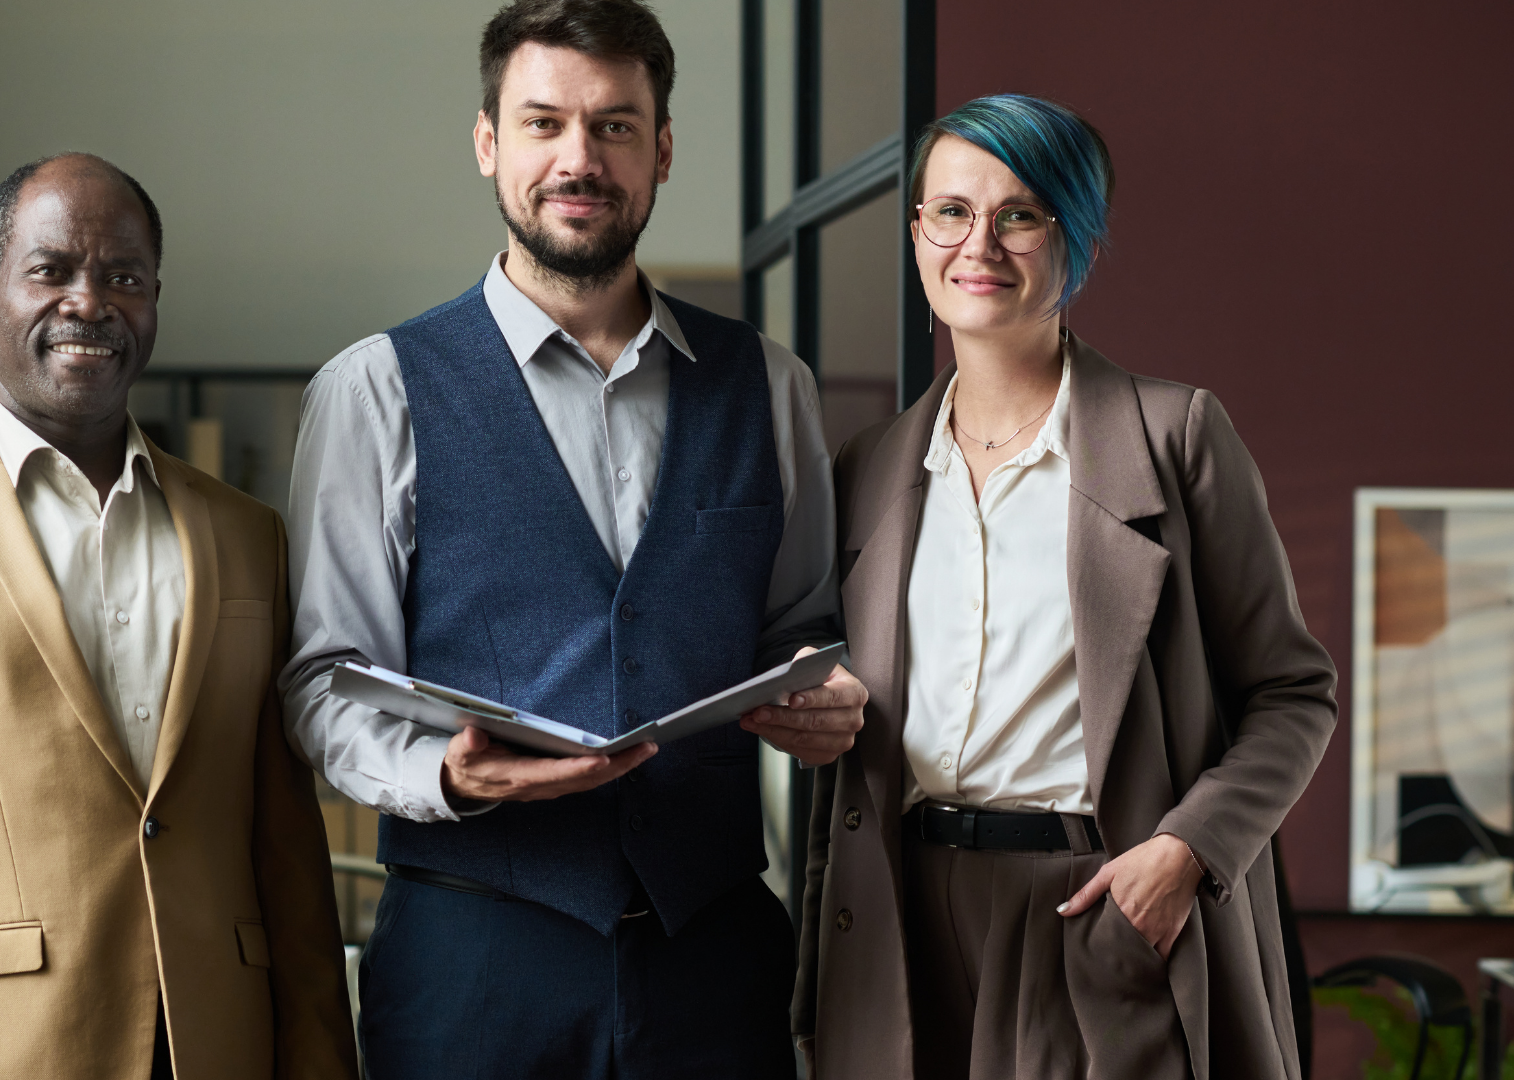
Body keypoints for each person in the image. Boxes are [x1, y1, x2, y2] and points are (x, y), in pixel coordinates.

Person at [282, 1, 866, 1076]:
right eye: (544, 123)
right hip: (471, 966)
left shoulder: (767, 384)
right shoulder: (374, 390)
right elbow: (323, 685)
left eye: (615, 127)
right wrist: (449, 781)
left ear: (663, 150)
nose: (578, 159)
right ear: (489, 144)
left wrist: (827, 707)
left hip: (716, 962)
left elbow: (803, 631)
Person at [791, 94, 1337, 1080]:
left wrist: (1187, 853)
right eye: (950, 212)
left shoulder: (1177, 438)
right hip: (903, 917)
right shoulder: (865, 469)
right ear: (917, 233)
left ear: (1074, 236)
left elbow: (1293, 694)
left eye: (1021, 213)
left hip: (1100, 900)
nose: (979, 244)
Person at [0, 153, 356, 1080]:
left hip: (222, 1047)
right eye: (51, 269)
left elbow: (287, 852)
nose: (89, 302)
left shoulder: (249, 536)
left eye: (123, 277)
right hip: (0, 1053)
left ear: (155, 301)